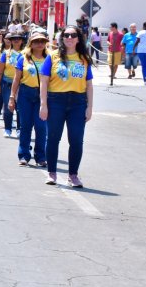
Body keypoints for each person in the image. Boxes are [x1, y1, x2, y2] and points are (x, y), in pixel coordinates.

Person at [39, 25, 93, 188]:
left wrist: (89, 107)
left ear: (78, 38)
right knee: (53, 138)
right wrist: (43, 104)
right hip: (56, 101)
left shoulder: (84, 58)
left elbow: (89, 84)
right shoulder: (53, 56)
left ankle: (73, 175)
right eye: (66, 35)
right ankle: (52, 173)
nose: (69, 38)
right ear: (62, 38)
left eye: (73, 35)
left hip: (78, 102)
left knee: (76, 140)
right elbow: (44, 81)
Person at [8, 31, 48, 167]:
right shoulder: (23, 58)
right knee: (25, 126)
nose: (40, 44)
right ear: (31, 43)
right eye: (36, 41)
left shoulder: (49, 58)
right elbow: (16, 79)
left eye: (42, 41)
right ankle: (24, 154)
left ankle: (41, 156)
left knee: (41, 127)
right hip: (25, 93)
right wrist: (12, 97)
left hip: (42, 95)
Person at [0, 32, 24, 138]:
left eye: (18, 38)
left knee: (20, 108)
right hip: (7, 83)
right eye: (14, 39)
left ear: (22, 41)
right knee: (8, 107)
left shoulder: (26, 54)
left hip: (22, 84)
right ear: (11, 41)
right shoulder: (5, 53)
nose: (16, 40)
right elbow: (0, 70)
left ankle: (19, 129)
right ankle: (7, 129)